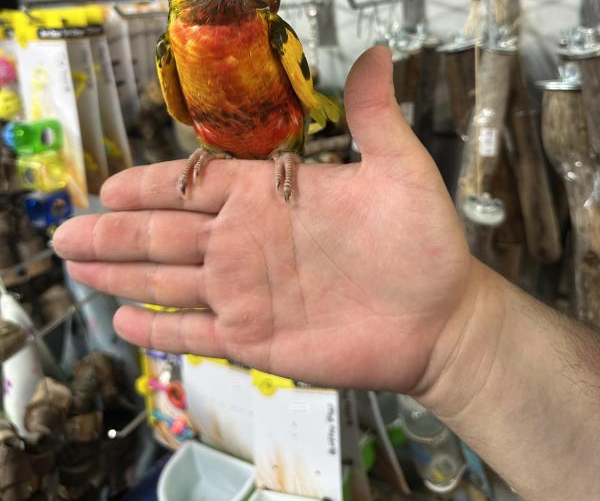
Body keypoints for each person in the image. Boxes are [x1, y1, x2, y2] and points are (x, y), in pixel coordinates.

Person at [54, 47, 600, 501]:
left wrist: (453, 329)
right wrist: (454, 335)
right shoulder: (174, 54)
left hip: (286, 153)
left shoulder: (273, 35)